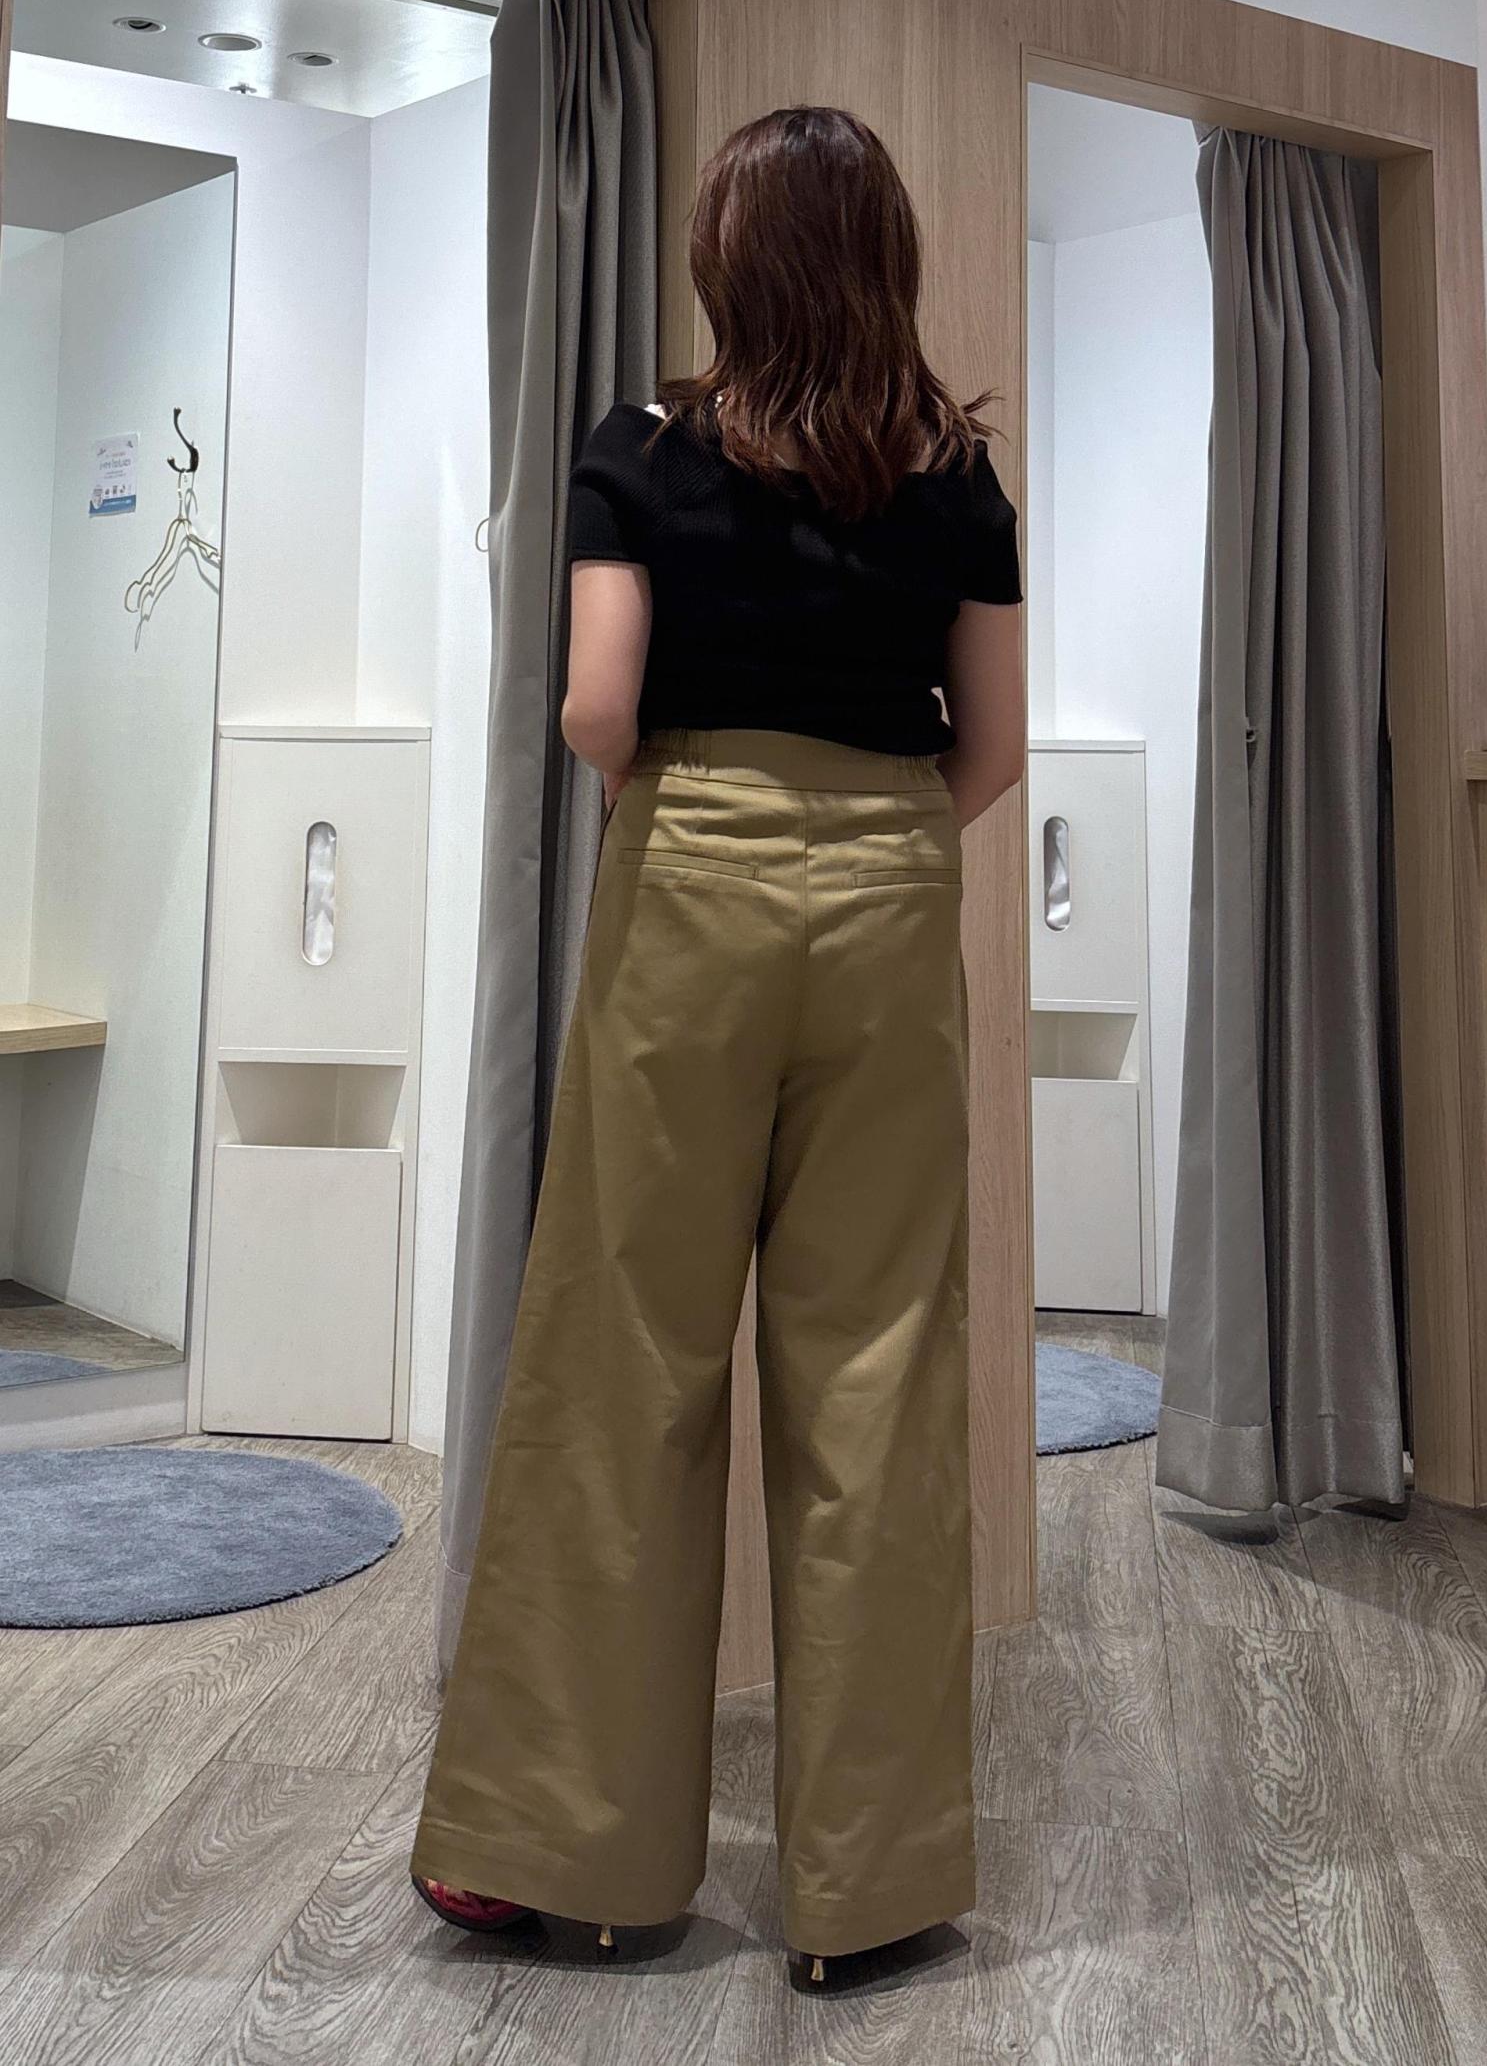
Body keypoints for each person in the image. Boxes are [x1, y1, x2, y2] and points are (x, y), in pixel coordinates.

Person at [409, 103, 1024, 1987]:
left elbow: (599, 710)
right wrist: (872, 829)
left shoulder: (643, 446)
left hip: (691, 874)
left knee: (625, 1361)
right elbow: (994, 748)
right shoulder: (955, 475)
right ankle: (873, 1895)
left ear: (724, 261)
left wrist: (691, 795)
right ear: (884, 259)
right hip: (892, 890)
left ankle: (573, 1857)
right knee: (880, 1373)